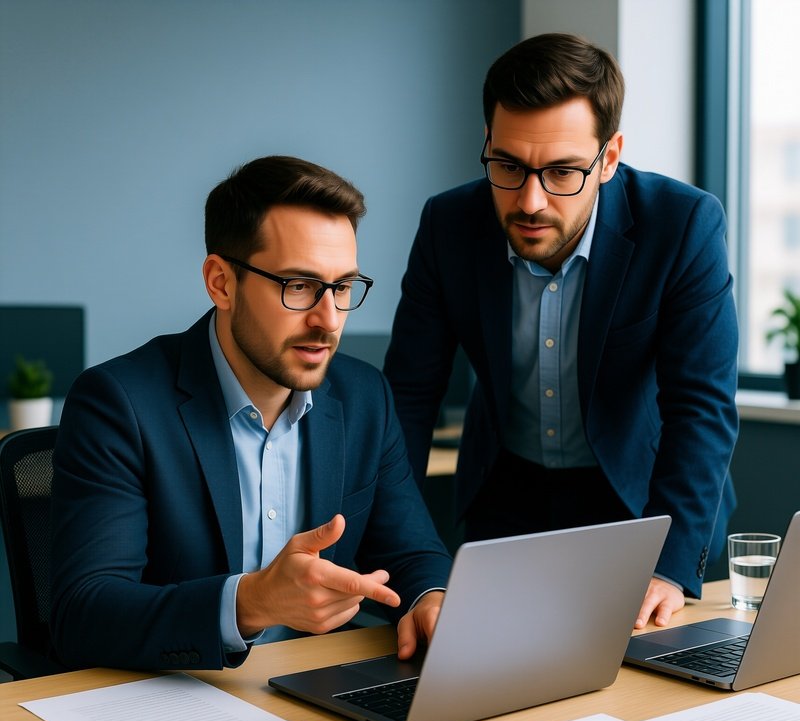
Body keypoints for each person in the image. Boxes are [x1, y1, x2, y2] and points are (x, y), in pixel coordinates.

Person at [383, 33, 738, 629]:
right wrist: (407, 561)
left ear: (610, 157)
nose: (530, 201)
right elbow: (407, 400)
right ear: (487, 143)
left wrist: (670, 567)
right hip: (504, 496)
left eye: (563, 172)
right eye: (508, 166)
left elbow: (700, 407)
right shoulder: (448, 224)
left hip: (642, 503)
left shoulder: (682, 225)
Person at [50, 155, 452, 671]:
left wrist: (430, 600)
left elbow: (413, 553)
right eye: (299, 286)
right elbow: (83, 613)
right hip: (177, 695)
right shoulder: (118, 403)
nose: (328, 320)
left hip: (314, 689)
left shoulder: (364, 397)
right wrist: (250, 603)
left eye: (342, 287)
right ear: (221, 282)